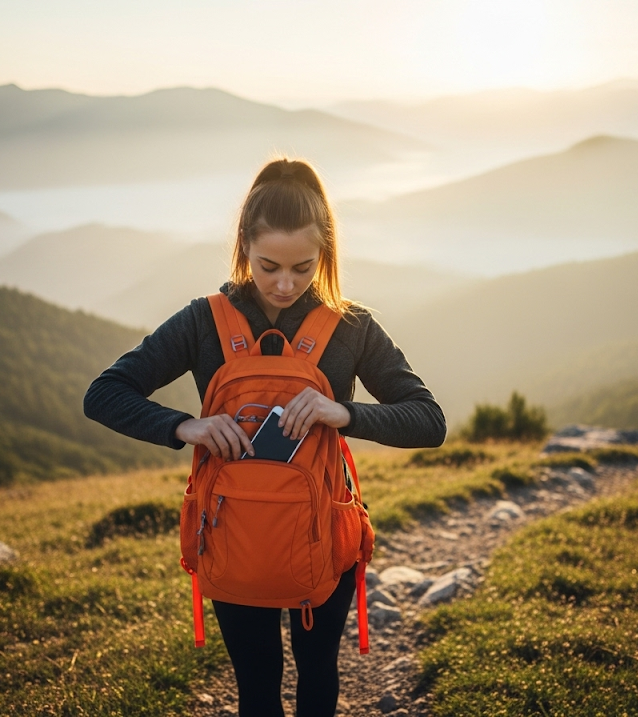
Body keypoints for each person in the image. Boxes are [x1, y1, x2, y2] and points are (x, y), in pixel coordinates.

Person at [83, 157, 446, 717]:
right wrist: (186, 425)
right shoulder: (203, 320)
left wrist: (342, 412)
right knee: (257, 684)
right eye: (268, 265)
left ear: (324, 251)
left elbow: (429, 421)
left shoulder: (351, 326)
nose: (284, 284)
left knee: (317, 674)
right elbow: (104, 393)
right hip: (236, 534)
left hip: (316, 536)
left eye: (304, 267)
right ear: (243, 246)